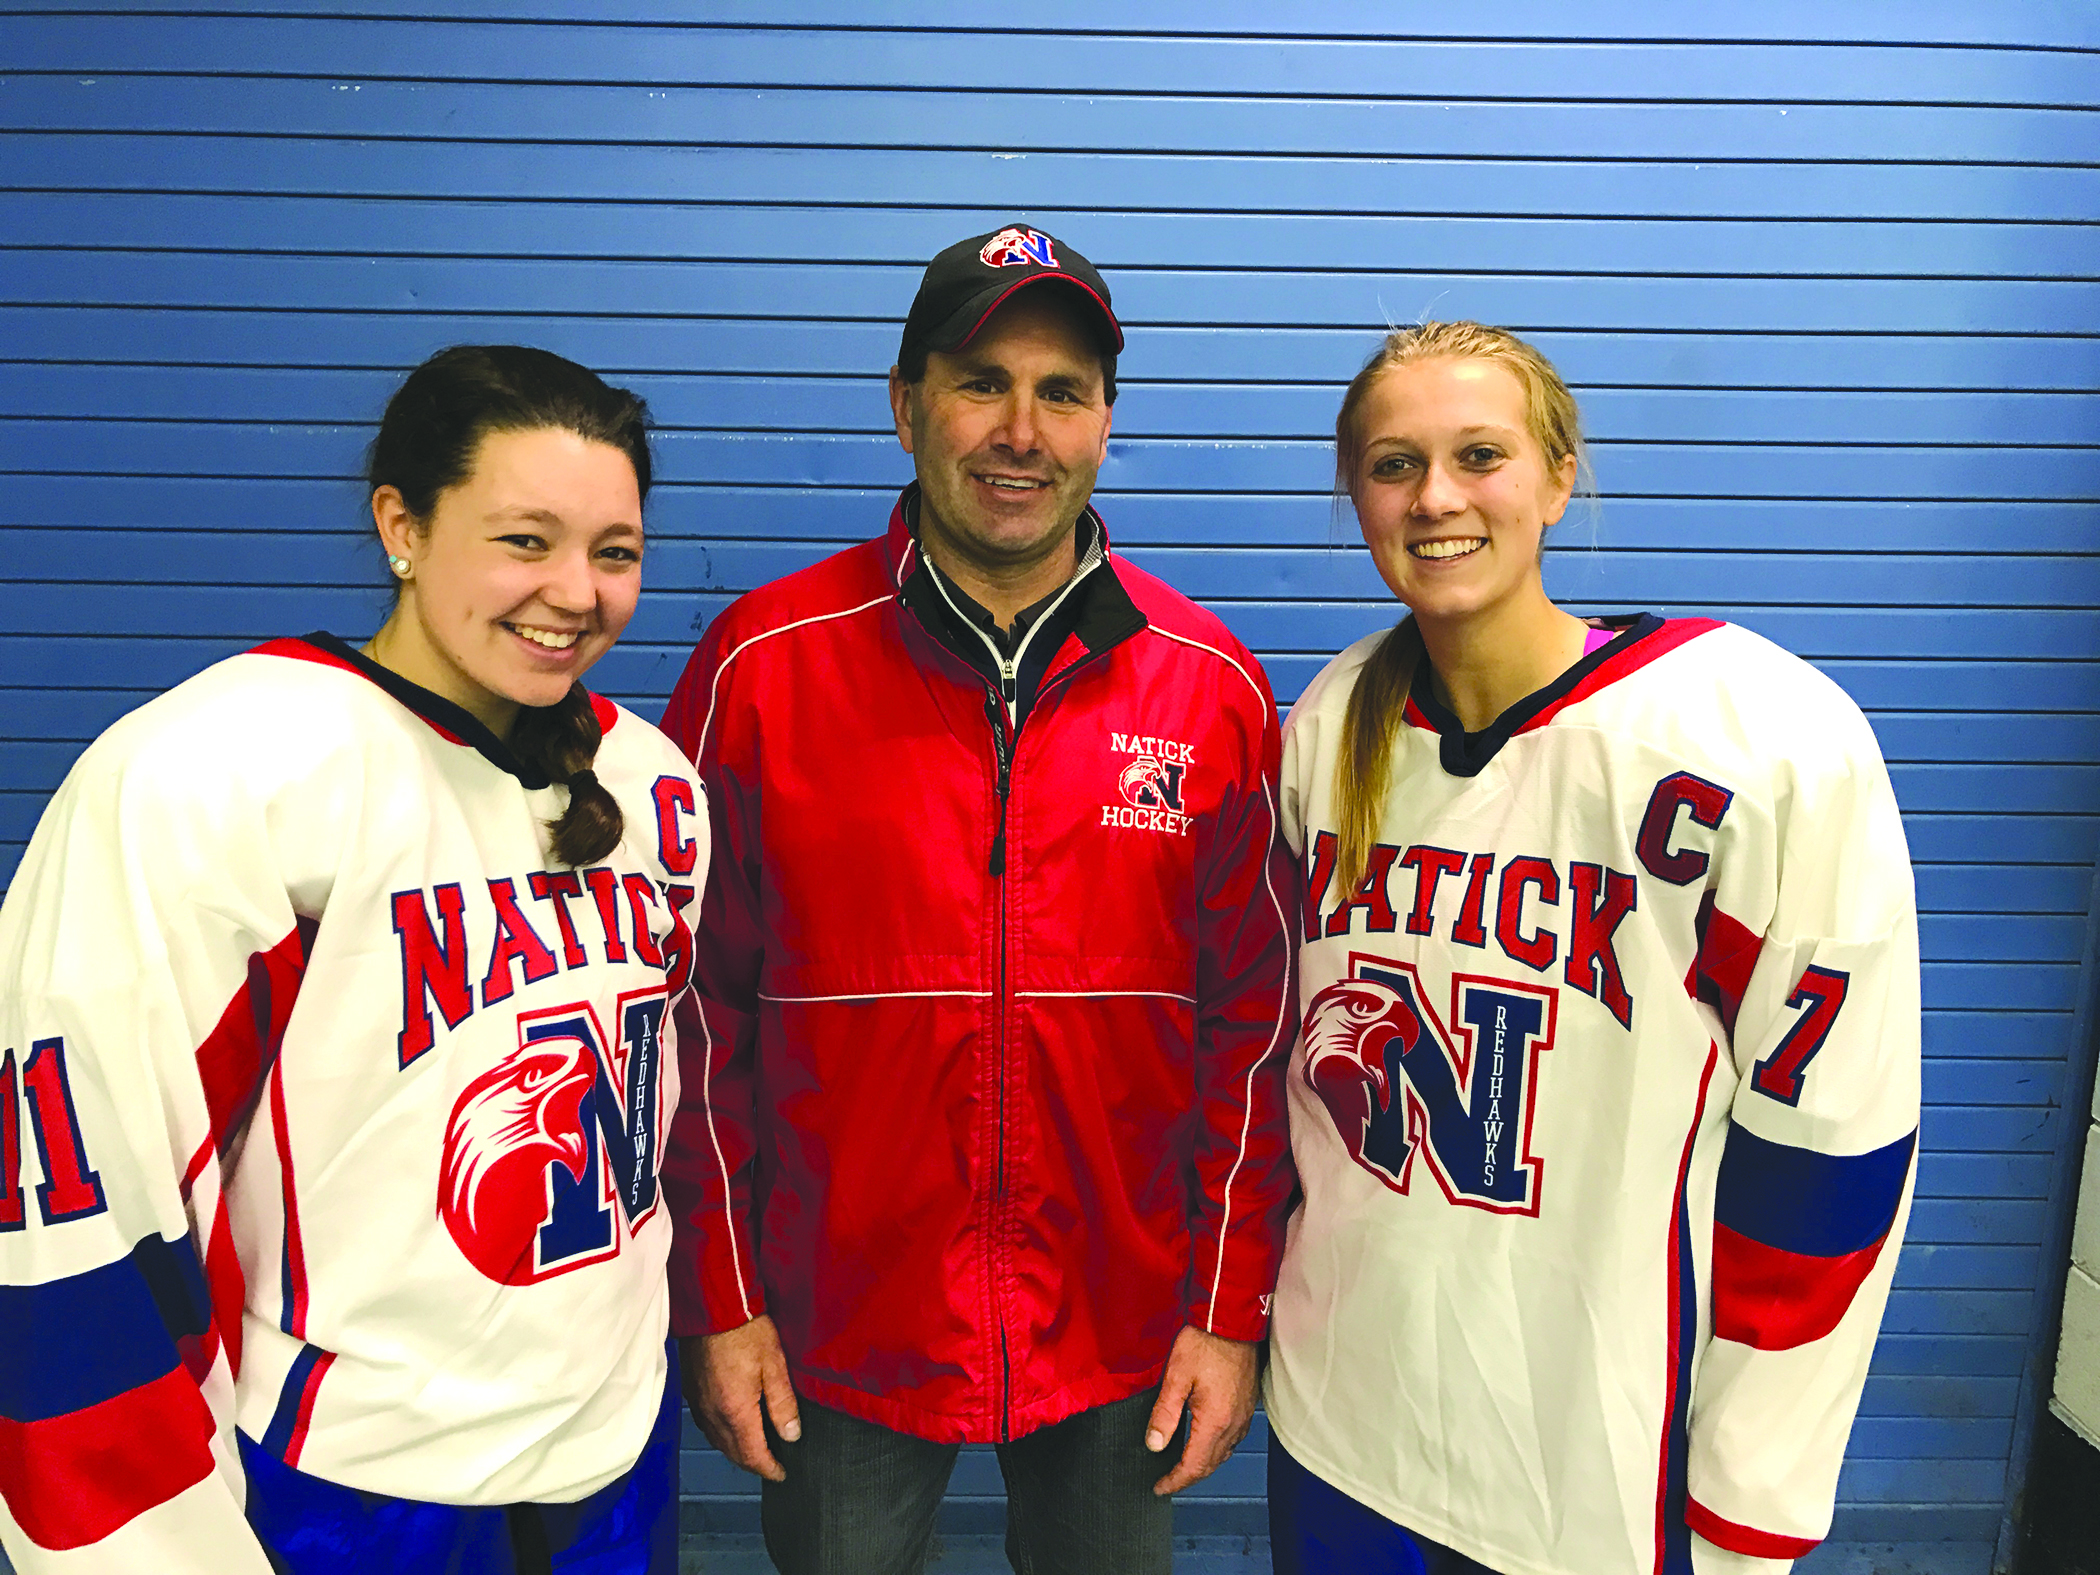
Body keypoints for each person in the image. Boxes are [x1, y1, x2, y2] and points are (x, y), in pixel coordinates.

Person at [0, 345, 705, 1574]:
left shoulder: (653, 785)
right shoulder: (223, 770)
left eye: (615, 552)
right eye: (524, 540)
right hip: (355, 1490)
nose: (575, 591)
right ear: (402, 524)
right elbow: (81, 1190)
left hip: (613, 1464)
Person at [657, 225, 1296, 1575]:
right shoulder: (762, 664)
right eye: (979, 380)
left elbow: (1255, 1034)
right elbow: (686, 1019)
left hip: (1122, 1324)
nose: (1021, 429)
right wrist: (718, 1297)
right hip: (836, 1322)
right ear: (904, 405)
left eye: (1062, 391)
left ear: (1106, 422)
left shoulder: (1208, 683)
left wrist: (1227, 1309)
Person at [1265, 322, 1921, 1575]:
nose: (1437, 496)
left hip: (1593, 1475)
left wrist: (1751, 1501)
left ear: (1560, 478)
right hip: (1344, 1422)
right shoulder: (1335, 721)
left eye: (1480, 454)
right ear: (1354, 492)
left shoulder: (1761, 742)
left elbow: (1833, 1153)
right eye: (1395, 463)